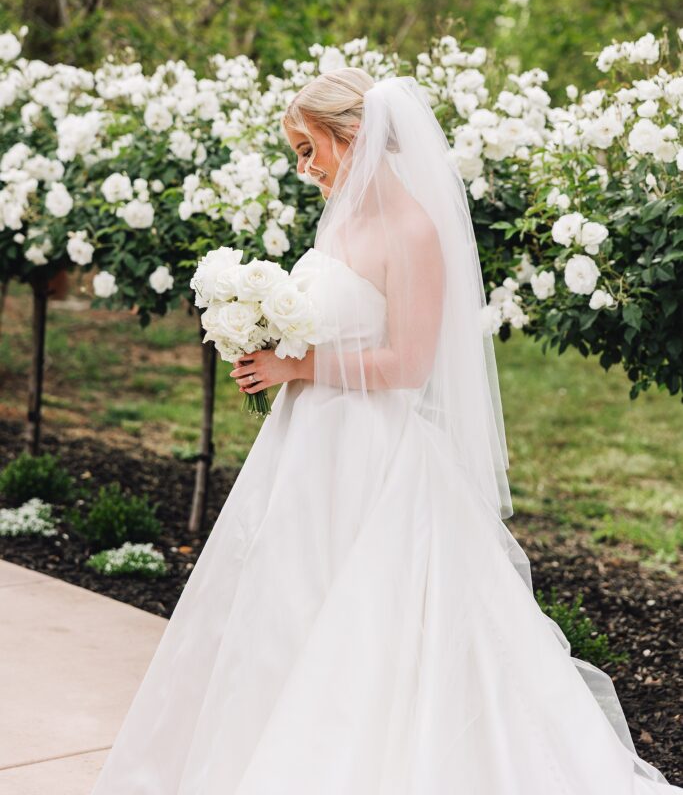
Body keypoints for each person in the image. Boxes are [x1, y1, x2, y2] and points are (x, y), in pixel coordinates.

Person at [91, 69, 681, 793]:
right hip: (306, 448)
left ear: (357, 137)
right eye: (297, 153)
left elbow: (407, 362)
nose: (304, 169)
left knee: (373, 619)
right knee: (281, 612)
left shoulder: (412, 230)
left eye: (311, 150)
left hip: (372, 455)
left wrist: (297, 366)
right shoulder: (340, 219)